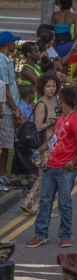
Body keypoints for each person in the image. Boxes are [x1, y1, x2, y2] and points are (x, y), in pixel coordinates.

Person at [27, 88, 77, 248]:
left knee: (64, 203)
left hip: (65, 170)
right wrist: (38, 151)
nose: (57, 102)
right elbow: (53, 139)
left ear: (62, 100)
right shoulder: (61, 118)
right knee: (45, 201)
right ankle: (40, 235)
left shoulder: (75, 119)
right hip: (50, 167)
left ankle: (65, 235)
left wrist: (72, 162)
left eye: (58, 100)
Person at [19, 76, 60, 215]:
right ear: (42, 87)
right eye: (48, 86)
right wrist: (51, 123)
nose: (51, 89)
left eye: (53, 86)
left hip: (54, 143)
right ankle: (39, 206)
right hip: (44, 144)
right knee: (46, 175)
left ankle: (30, 203)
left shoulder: (54, 101)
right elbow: (38, 126)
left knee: (46, 175)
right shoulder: (41, 104)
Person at [0, 32, 21, 185]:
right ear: (9, 44)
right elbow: (5, 90)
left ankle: (3, 174)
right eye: (14, 41)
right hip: (6, 110)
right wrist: (15, 109)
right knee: (4, 145)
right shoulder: (2, 62)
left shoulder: (7, 61)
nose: (15, 44)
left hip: (9, 109)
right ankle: (2, 175)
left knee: (6, 145)